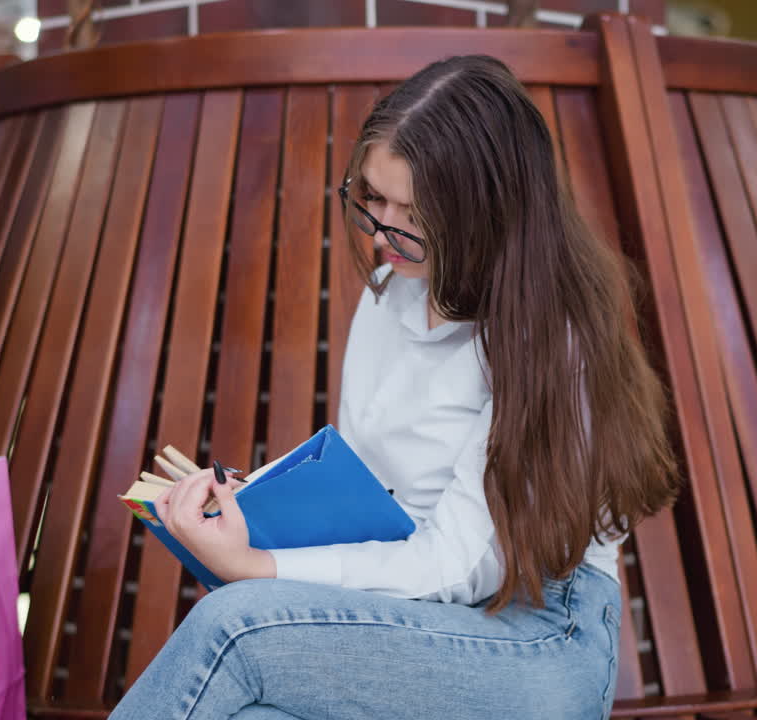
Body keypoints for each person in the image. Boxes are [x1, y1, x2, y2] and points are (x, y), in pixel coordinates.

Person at [109, 55, 680, 720]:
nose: (383, 232)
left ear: (490, 212)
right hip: (411, 618)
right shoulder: (389, 294)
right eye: (372, 199)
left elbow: (468, 567)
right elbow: (367, 493)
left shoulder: (551, 338)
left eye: (412, 213)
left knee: (234, 624)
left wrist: (259, 572)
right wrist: (265, 509)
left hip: (539, 636)